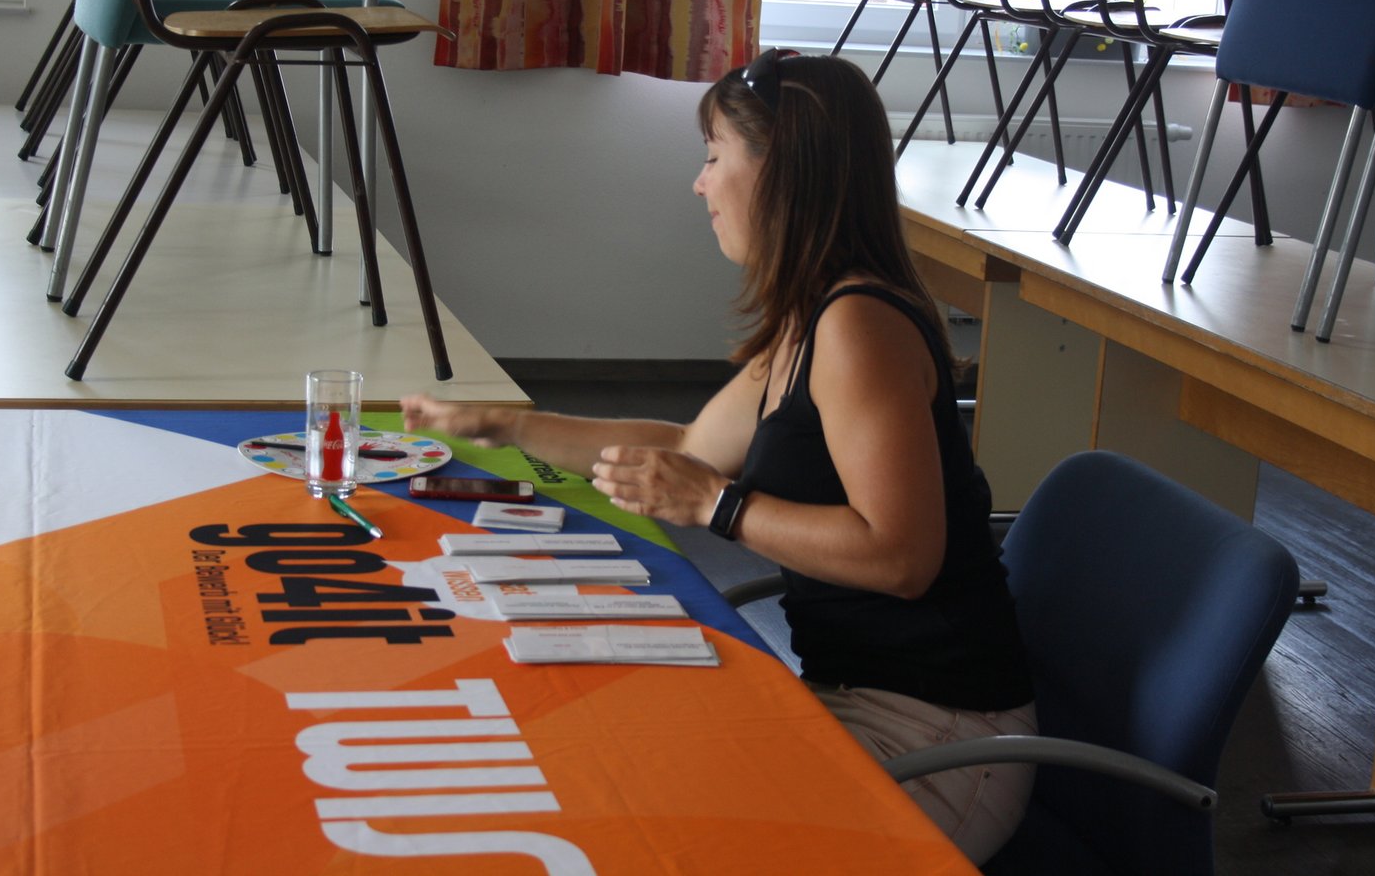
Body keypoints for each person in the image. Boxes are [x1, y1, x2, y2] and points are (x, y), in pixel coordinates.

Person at [402, 50, 1035, 861]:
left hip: (937, 734)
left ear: (783, 171)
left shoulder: (859, 327)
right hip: (853, 697)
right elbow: (688, 446)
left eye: (713, 157)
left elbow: (902, 556)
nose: (699, 185)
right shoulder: (813, 313)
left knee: (644, 832)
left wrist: (718, 505)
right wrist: (508, 426)